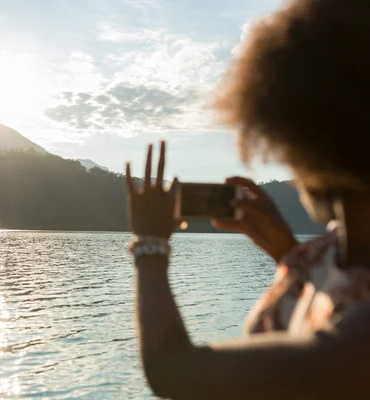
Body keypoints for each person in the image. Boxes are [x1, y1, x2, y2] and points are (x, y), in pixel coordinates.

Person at [125, 0, 370, 398]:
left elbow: (172, 369)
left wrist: (150, 243)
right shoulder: (331, 254)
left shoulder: (359, 340)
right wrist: (287, 254)